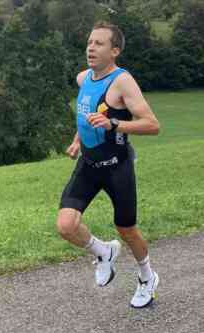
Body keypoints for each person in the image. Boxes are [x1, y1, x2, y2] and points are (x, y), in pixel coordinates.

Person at [57, 22, 161, 308]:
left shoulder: (122, 81)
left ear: (114, 51)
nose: (91, 47)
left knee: (126, 229)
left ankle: (146, 277)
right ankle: (103, 252)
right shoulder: (83, 79)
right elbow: (88, 113)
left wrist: (114, 123)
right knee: (66, 225)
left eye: (99, 43)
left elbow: (152, 125)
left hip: (117, 166)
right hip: (89, 163)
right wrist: (78, 139)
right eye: (90, 42)